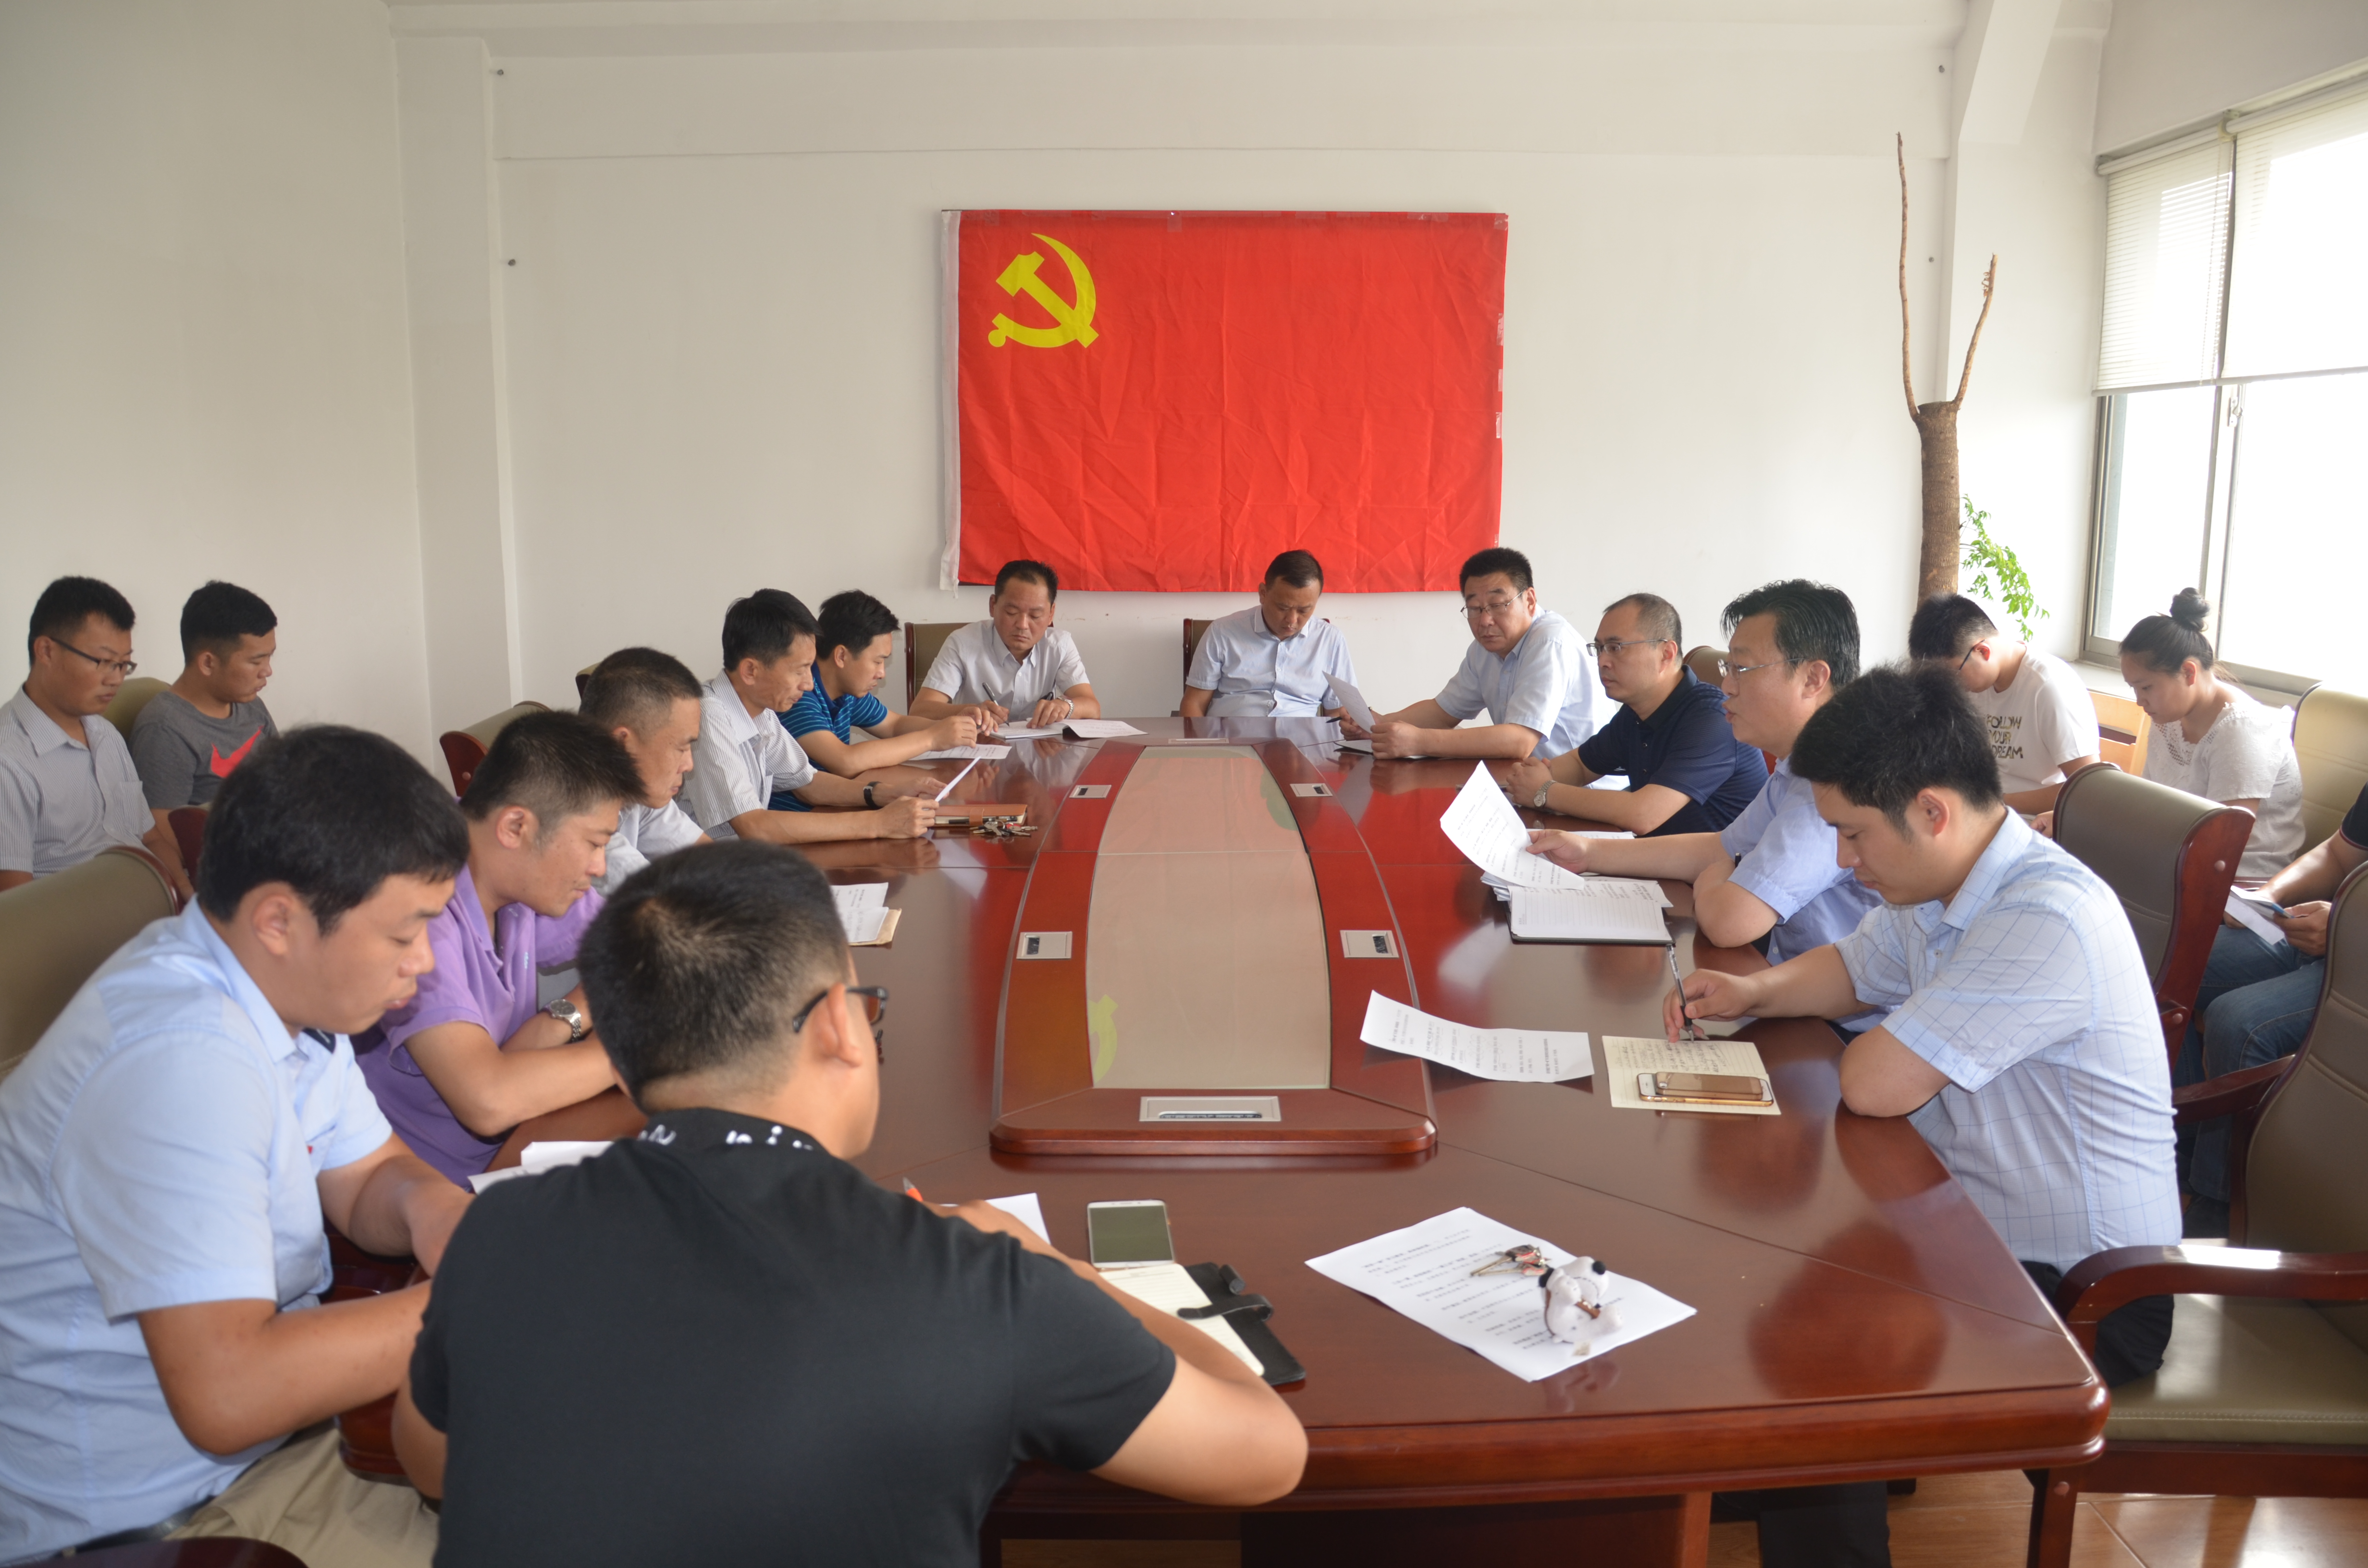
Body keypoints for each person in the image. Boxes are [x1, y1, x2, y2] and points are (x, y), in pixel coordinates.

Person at [391, 841, 1307, 1564]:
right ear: (840, 1021)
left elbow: (429, 1454)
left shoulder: (500, 1230)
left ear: (624, 1072)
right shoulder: (972, 1282)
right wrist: (1054, 1268)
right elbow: (1268, 1452)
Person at [1665, 664, 2179, 1568]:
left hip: (2089, 1293)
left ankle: (1816, 1467)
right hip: (1967, 1224)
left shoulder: (2044, 915)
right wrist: (1754, 990)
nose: (1843, 860)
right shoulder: (1947, 878)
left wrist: (1843, 1025)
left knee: (1827, 1340)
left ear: (1932, 811)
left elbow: (1873, 1083)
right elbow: (1852, 969)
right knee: (1771, 1254)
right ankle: (1780, 1460)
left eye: (1853, 833)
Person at [0, 726, 471, 1565]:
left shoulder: (280, 994)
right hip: (171, 1521)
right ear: (279, 919)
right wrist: (490, 1289)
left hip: (287, 1445)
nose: (426, 962)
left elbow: (368, 1175)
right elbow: (231, 1392)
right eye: (406, 934)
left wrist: (440, 1212)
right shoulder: (179, 1059)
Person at [1527, 579, 1878, 970]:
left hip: (1826, 1005)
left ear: (1813, 679)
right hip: (1778, 974)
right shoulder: (1796, 768)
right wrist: (1588, 853)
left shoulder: (1833, 786)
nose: (1727, 685)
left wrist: (1718, 874)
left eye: (1742, 668)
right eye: (1729, 668)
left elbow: (1730, 921)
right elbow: (1720, 848)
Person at [355, 711, 644, 1187]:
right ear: (515, 827)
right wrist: (631, 1054)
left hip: (518, 1139)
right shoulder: (418, 911)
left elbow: (638, 945)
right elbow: (487, 1102)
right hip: (431, 1188)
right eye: (594, 844)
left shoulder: (516, 875)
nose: (598, 867)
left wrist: (564, 1017)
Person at [2180, 780, 2368, 1237]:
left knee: (2238, 1021)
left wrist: (2348, 924)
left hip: (2357, 953)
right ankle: (2180, 1145)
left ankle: (2219, 1206)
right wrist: (2270, 894)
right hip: (2327, 927)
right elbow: (2339, 854)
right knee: (2167, 957)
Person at [680, 589, 939, 845]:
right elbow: (754, 827)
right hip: (699, 867)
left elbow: (809, 784)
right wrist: (880, 823)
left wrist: (887, 794)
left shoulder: (762, 712)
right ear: (751, 671)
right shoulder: (708, 716)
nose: (809, 684)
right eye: (800, 670)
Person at [1505, 592, 1765, 835]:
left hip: (1716, 867)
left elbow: (1643, 814)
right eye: (1600, 648)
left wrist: (1545, 791)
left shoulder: (1712, 719)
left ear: (1666, 654)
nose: (1602, 661)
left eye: (1616, 648)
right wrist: (1532, 778)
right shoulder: (1636, 711)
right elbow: (1581, 765)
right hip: (1654, 855)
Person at [2, 576, 188, 895]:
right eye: (103, 662)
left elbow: (151, 839)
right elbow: (15, 905)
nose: (115, 679)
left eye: (124, 665)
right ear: (46, 651)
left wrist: (186, 894)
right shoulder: (9, 760)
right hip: (85, 918)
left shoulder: (105, 733)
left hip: (153, 897)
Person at [2106, 589, 2305, 882]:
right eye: (2133, 688)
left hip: (2239, 883)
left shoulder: (2242, 729)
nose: (2139, 700)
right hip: (2176, 861)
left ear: (2189, 673)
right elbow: (2150, 804)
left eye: (2146, 687)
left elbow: (2222, 845)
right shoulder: (2167, 717)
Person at [1342, 547, 1608, 760]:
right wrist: (1379, 726)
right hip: (1532, 783)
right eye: (1475, 609)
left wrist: (1418, 741)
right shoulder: (1485, 649)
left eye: (1497, 605)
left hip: (1582, 792)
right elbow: (1443, 712)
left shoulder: (1550, 642)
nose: (1485, 621)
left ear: (1529, 600)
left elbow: (1520, 741)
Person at [1908, 594, 2099, 815]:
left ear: (1983, 651)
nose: (1952, 685)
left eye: (1953, 674)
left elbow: (2088, 788)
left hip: (2030, 821)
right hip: (1984, 812)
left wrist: (1995, 803)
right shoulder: (1977, 683)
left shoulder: (2049, 686)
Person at [780, 589, 982, 792]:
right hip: (806, 809)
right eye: (878, 662)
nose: (882, 673)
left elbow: (894, 725)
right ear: (841, 656)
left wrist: (950, 727)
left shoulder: (848, 692)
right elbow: (845, 761)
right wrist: (932, 738)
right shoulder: (798, 696)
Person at [129, 582, 280, 839]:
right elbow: (165, 835)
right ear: (208, 663)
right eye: (256, 661)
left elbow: (283, 778)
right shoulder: (165, 729)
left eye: (270, 657)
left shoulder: (250, 704)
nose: (268, 671)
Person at [910, 558, 1100, 733]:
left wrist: (1066, 707)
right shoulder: (963, 643)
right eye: (1011, 612)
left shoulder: (1060, 645)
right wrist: (969, 711)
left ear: (1051, 615)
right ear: (993, 606)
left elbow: (1093, 708)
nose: (1023, 625)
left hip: (1039, 751)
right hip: (977, 747)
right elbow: (920, 711)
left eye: (1035, 616)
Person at [579, 647, 709, 895]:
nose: (689, 765)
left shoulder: (640, 790)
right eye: (681, 748)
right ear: (622, 744)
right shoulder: (578, 816)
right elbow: (659, 905)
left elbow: (708, 858)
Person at [1180, 550, 1357, 719]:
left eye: (1304, 610)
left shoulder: (1330, 640)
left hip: (1302, 737)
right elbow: (1195, 704)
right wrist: (1202, 741)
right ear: (1263, 594)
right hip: (1233, 735)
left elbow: (1337, 712)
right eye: (1283, 608)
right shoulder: (1222, 632)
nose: (1292, 620)